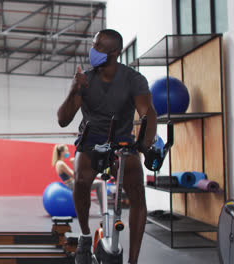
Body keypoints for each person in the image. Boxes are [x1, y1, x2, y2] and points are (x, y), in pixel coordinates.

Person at [57, 29, 157, 264]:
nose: (94, 51)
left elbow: (148, 114)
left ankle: (133, 260)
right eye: (94, 45)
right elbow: (62, 120)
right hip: (90, 141)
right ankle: (84, 236)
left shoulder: (133, 79)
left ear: (115, 52)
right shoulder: (86, 79)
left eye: (99, 47)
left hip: (121, 141)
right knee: (81, 180)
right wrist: (74, 90)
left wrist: (146, 144)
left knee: (138, 194)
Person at [51, 144, 104, 215]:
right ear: (62, 152)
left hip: (72, 183)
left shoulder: (59, 163)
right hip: (72, 185)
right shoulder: (61, 164)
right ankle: (103, 209)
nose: (68, 153)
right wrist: (75, 163)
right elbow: (74, 175)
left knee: (96, 181)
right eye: (66, 151)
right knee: (99, 184)